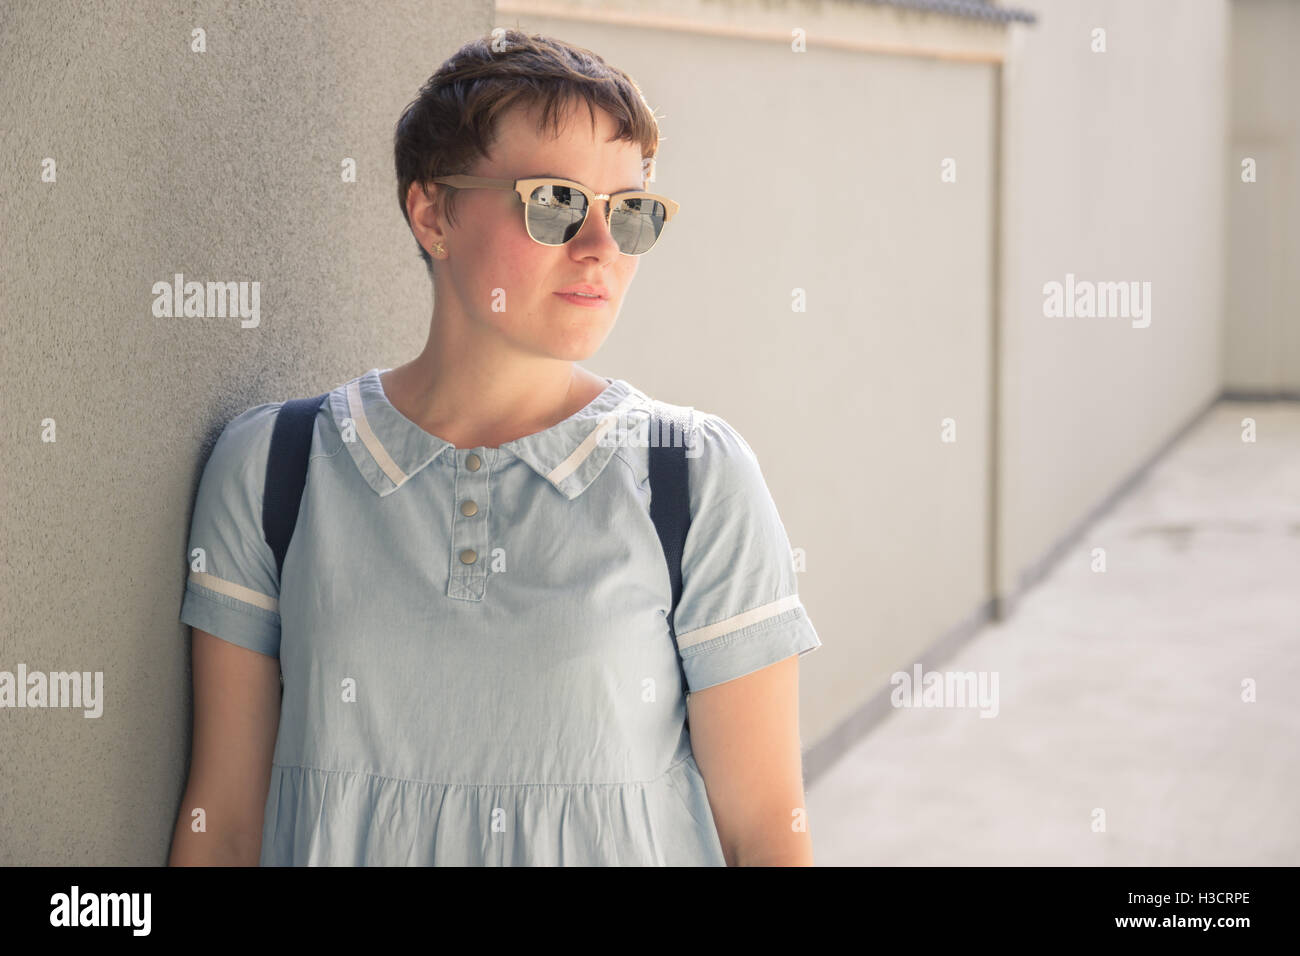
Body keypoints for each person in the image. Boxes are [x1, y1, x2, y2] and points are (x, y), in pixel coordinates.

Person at [168, 29, 821, 866]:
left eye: (629, 210)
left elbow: (767, 832)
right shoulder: (274, 468)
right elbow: (222, 826)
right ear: (432, 212)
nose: (601, 248)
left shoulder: (692, 478)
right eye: (553, 201)